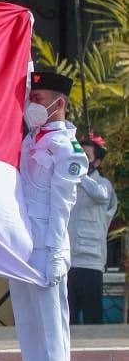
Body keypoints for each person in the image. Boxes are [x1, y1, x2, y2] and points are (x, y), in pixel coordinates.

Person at [0, 69, 87, 361]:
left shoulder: (67, 148)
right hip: (23, 245)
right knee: (29, 327)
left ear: (59, 103)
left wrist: (52, 251)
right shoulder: (30, 139)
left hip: (47, 246)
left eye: (37, 99)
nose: (31, 105)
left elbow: (62, 205)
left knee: (52, 329)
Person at [67, 138, 118, 325]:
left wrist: (79, 173)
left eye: (86, 156)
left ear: (96, 162)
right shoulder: (69, 185)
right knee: (68, 320)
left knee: (92, 320)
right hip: (68, 262)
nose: (81, 159)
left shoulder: (103, 184)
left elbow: (100, 195)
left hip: (91, 263)